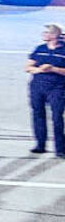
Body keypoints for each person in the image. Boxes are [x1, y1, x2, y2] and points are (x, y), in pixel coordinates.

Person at [27, 24, 65, 155]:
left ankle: (60, 148)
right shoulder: (40, 49)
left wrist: (53, 69)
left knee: (57, 117)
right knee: (38, 114)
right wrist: (39, 69)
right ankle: (40, 144)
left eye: (46, 32)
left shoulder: (63, 51)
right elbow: (28, 67)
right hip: (37, 86)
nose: (44, 34)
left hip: (57, 88)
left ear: (54, 35)